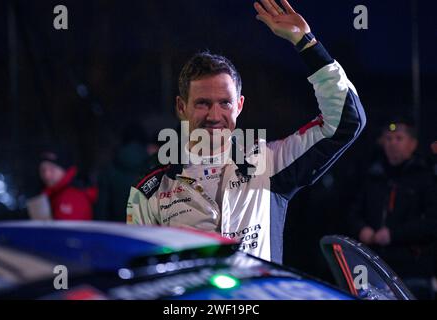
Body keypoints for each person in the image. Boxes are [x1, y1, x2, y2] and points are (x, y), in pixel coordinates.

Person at [127, 0, 366, 264]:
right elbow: (137, 271)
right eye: (202, 103)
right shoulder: (150, 188)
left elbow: (346, 122)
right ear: (181, 107)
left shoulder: (269, 163)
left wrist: (307, 44)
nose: (214, 116)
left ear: (239, 105)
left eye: (225, 103)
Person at [347, 120, 437, 299]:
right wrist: (361, 228)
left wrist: (394, 234)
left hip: (412, 272)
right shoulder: (372, 175)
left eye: (399, 138)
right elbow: (352, 211)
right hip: (370, 268)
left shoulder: (425, 178)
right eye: (388, 138)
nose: (392, 143)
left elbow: (431, 223)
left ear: (412, 143)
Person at [95, 125, 152, 222]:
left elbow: (101, 209)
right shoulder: (154, 169)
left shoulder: (110, 171)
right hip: (145, 232)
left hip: (116, 231)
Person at [38, 146, 98, 220]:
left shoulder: (72, 197)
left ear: (64, 170)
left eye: (52, 169)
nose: (46, 175)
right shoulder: (52, 193)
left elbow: (65, 231)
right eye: (42, 170)